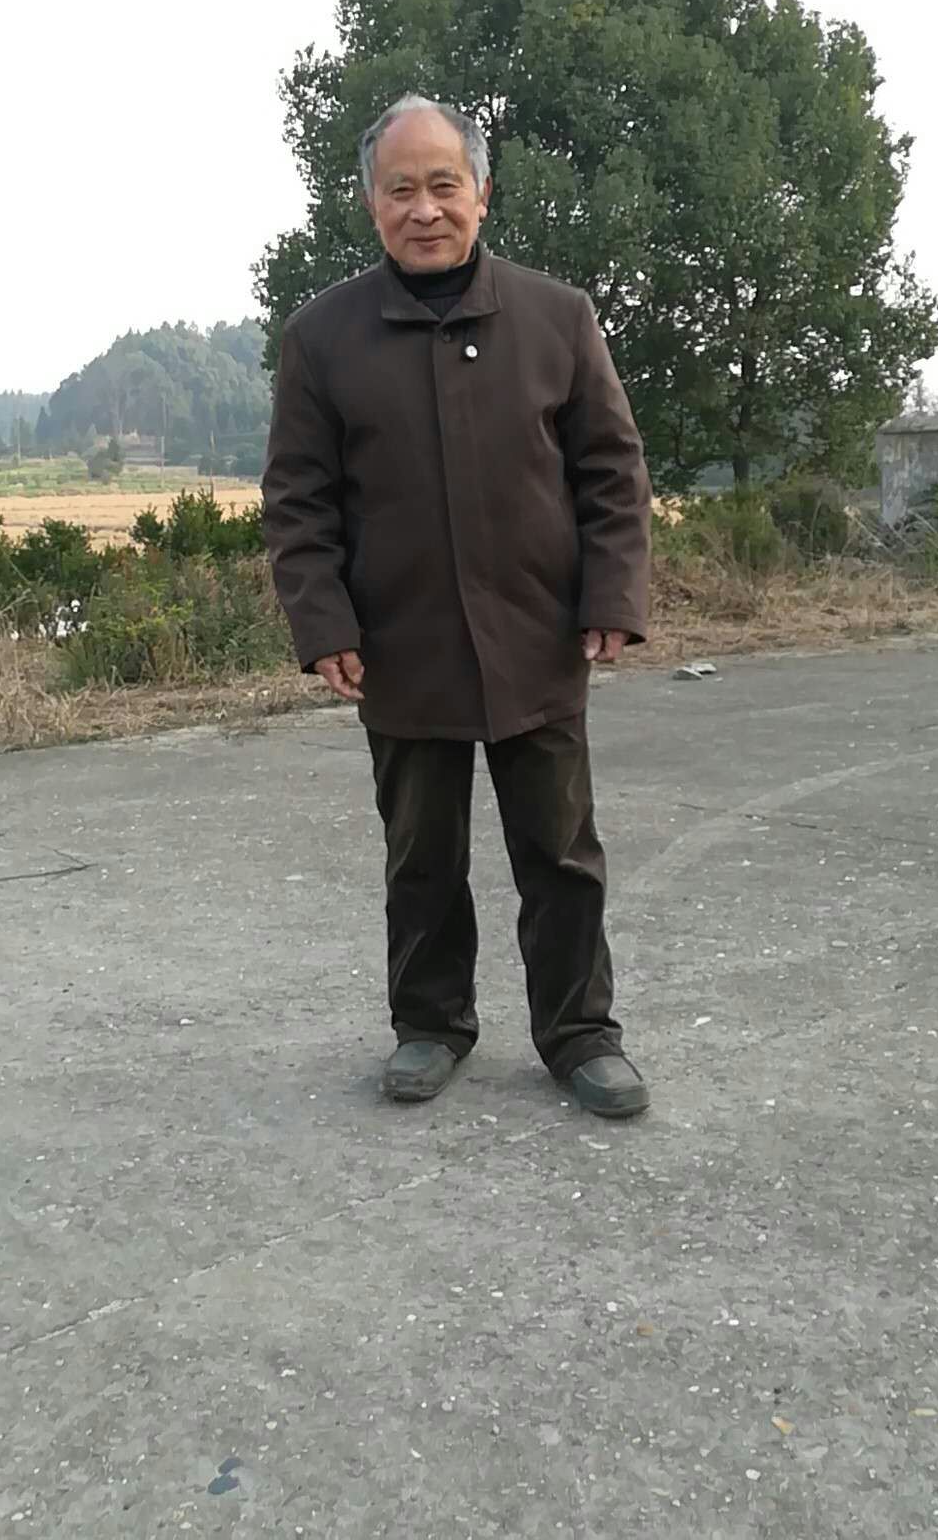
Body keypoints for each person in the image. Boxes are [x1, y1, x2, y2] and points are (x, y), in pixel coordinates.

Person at [262, 95, 653, 1117]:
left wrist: (611, 592)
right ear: (371, 203)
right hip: (400, 645)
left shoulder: (556, 317)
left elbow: (611, 469)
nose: (424, 209)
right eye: (401, 189)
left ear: (482, 192)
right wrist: (323, 623)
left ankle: (581, 1034)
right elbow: (298, 500)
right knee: (421, 857)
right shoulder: (322, 337)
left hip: (536, 634)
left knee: (561, 854)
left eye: (444, 185)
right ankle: (430, 1025)